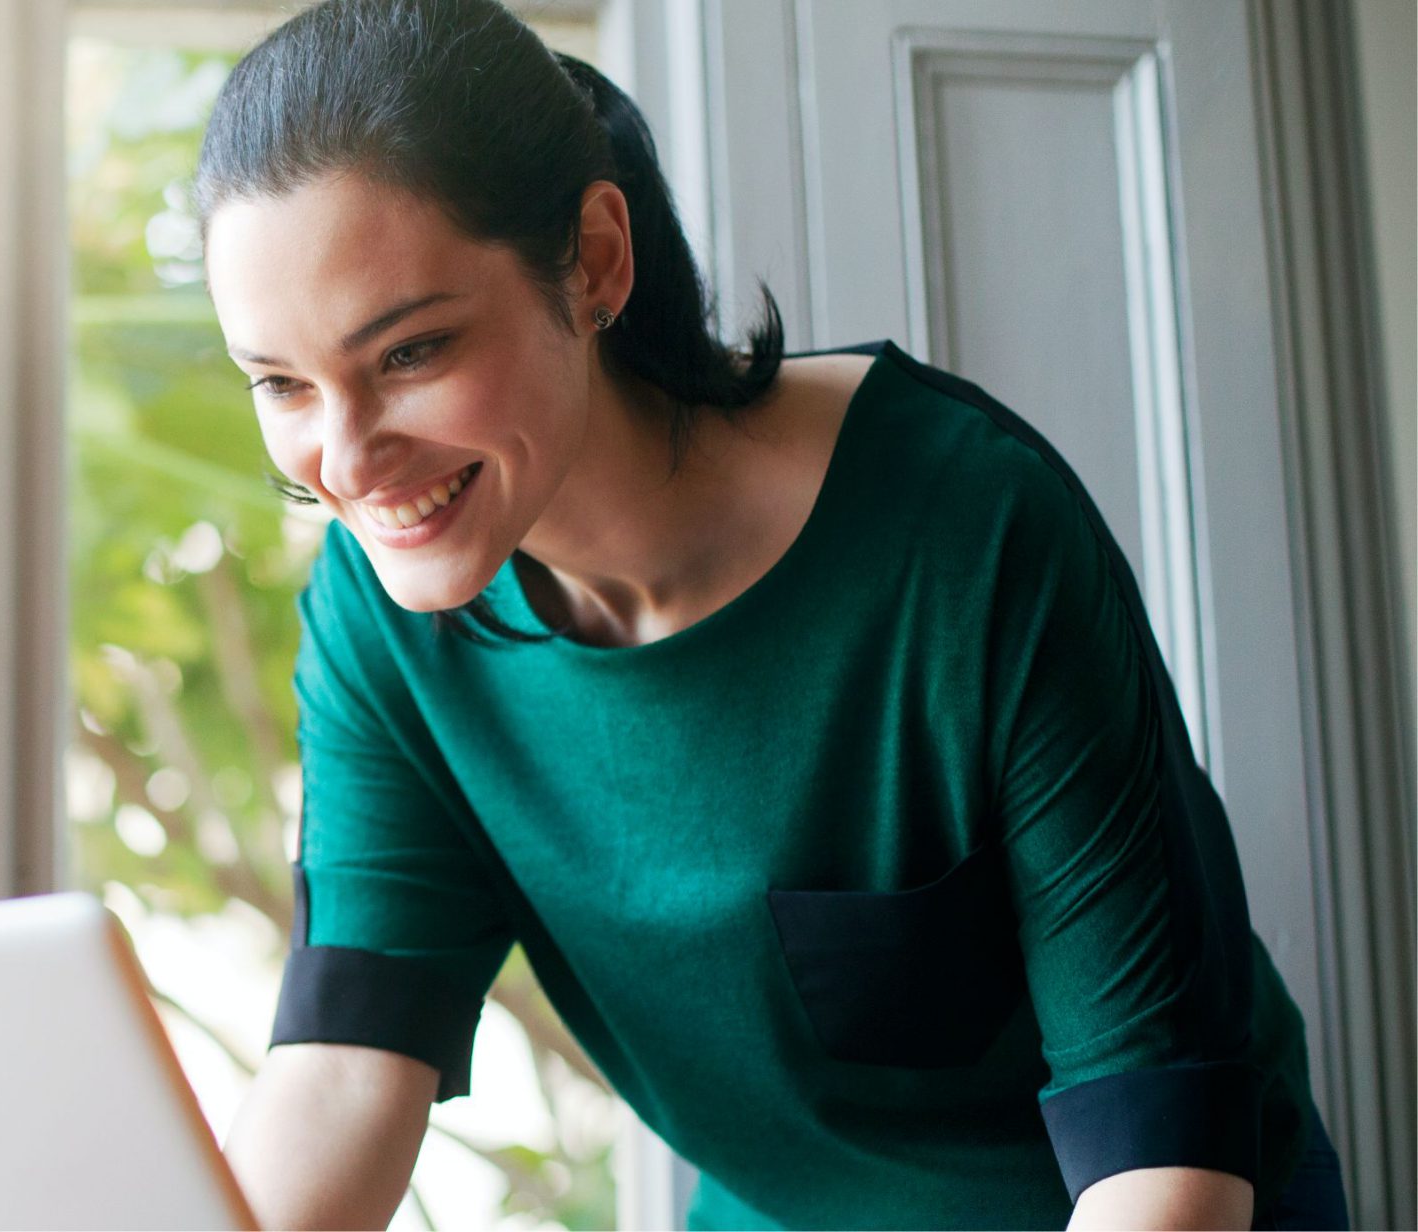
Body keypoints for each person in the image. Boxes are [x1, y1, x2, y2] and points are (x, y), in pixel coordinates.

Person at [190, 1, 1347, 1228]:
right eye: (282, 383)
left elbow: (1162, 1153)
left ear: (594, 259)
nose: (347, 461)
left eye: (410, 352)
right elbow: (343, 1068)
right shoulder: (381, 618)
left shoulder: (965, 528)